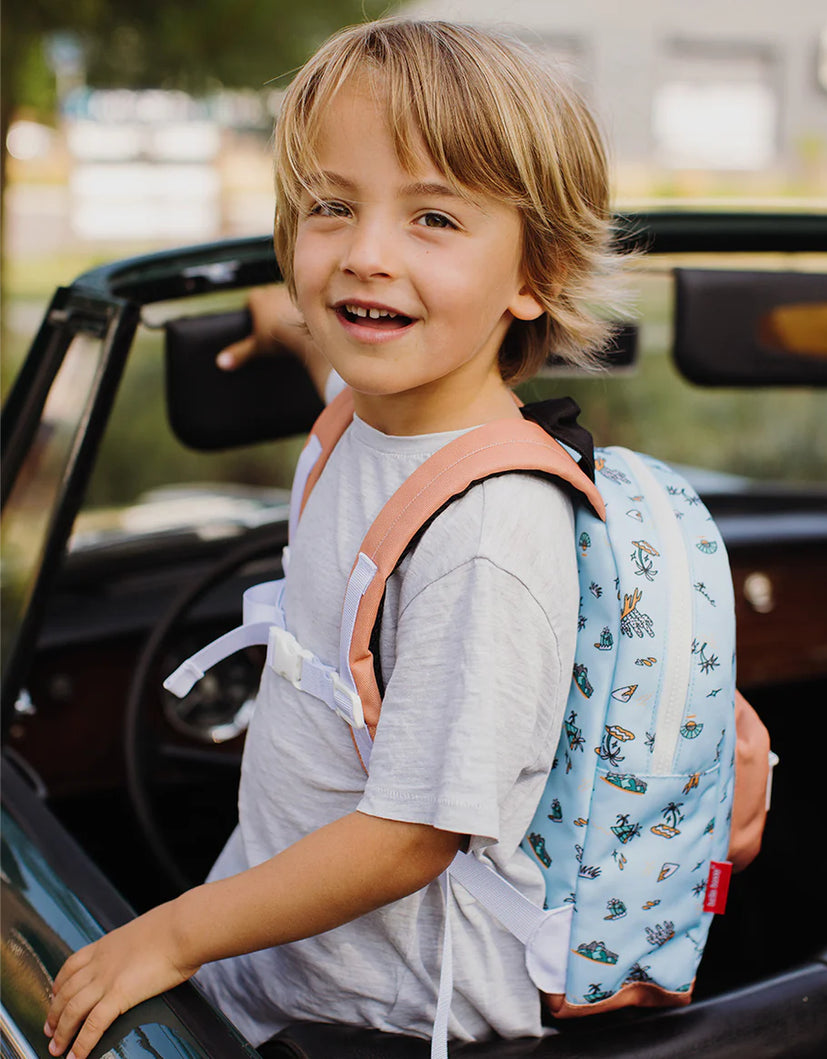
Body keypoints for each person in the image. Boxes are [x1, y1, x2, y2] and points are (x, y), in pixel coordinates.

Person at [45, 18, 624, 1058]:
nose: (365, 255)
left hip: (382, 1024)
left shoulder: (488, 532)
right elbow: (336, 334)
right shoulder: (369, 410)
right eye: (331, 206)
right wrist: (285, 315)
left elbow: (411, 834)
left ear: (533, 273)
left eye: (434, 218)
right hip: (281, 967)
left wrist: (170, 938)